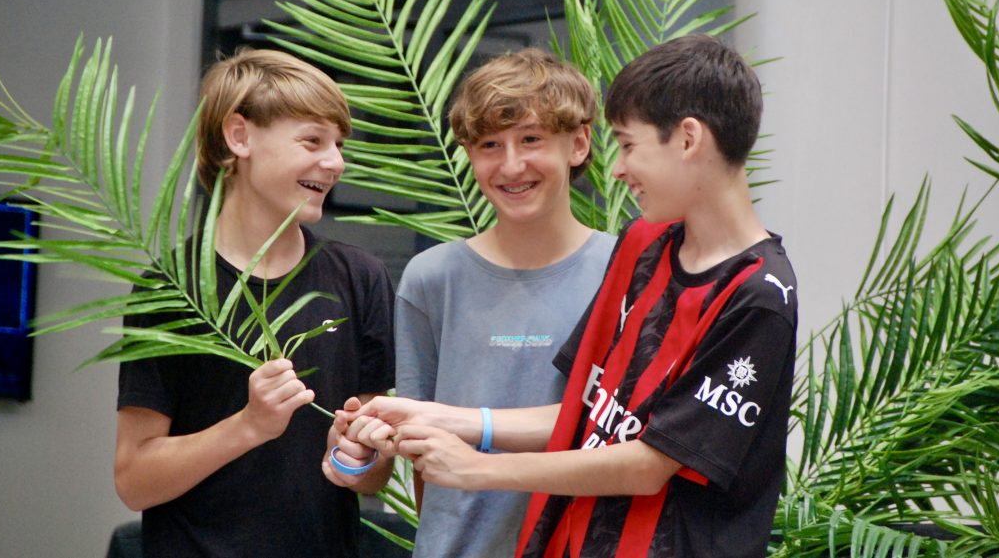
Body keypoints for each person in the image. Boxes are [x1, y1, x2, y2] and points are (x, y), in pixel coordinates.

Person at [338, 34, 797, 558]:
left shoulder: (757, 295)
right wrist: (438, 419)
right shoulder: (646, 246)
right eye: (490, 145)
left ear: (688, 139)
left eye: (627, 145)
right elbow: (588, 411)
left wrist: (477, 466)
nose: (617, 168)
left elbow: (650, 462)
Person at [114, 48, 395, 558]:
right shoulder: (172, 288)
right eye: (312, 140)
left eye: (338, 144)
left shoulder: (361, 278)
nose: (335, 162)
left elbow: (373, 477)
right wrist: (248, 426)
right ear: (239, 136)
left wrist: (357, 456)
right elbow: (134, 480)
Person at [347, 48, 616, 558]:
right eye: (490, 144)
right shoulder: (431, 279)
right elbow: (420, 450)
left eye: (531, 139)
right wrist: (358, 450)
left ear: (579, 143)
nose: (511, 165)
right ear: (469, 155)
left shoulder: (625, 273)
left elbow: (623, 436)